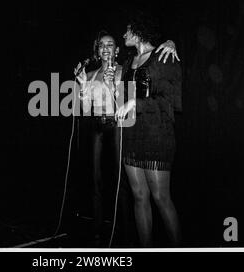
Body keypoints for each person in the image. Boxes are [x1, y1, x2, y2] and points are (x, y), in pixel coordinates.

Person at [74, 30, 178, 246]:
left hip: (120, 127)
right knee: (96, 180)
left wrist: (170, 42)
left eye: (110, 44)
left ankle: (126, 233)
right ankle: (97, 232)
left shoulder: (126, 69)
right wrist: (83, 87)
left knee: (123, 183)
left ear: (117, 50)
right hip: (98, 129)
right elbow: (85, 109)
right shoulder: (91, 74)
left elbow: (127, 103)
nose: (105, 48)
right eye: (101, 45)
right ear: (97, 50)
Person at [116, 13, 182, 247]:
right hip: (132, 135)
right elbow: (120, 98)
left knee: (160, 197)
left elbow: (171, 102)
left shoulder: (163, 56)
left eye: (127, 30)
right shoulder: (127, 62)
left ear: (138, 31)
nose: (123, 34)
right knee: (139, 196)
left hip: (157, 135)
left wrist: (137, 103)